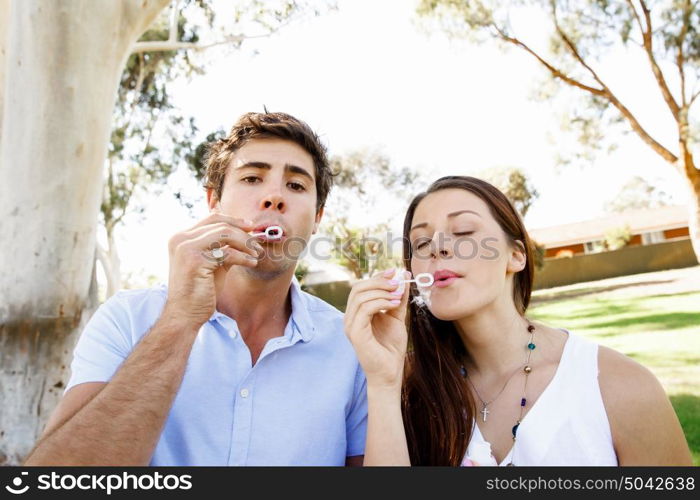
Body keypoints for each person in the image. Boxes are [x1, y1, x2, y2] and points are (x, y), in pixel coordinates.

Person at [25, 112, 367, 466]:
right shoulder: (126, 318)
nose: (274, 197)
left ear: (318, 217)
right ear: (213, 201)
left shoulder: (351, 347)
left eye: (296, 185)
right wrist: (180, 319)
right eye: (252, 178)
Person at [344, 175, 693, 466]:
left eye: (463, 231)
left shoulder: (619, 387)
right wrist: (383, 383)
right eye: (420, 243)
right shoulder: (406, 392)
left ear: (516, 256)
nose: (437, 247)